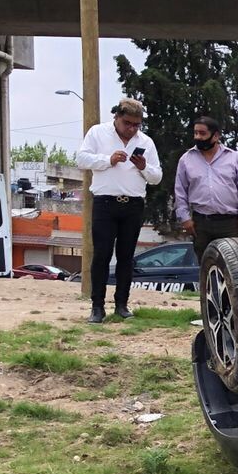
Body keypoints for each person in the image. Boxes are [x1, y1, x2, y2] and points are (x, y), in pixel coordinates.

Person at [74, 97, 162, 323]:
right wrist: (107, 159)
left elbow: (157, 177)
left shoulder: (146, 142)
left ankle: (122, 304)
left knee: (126, 257)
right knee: (102, 255)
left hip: (133, 205)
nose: (132, 129)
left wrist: (144, 167)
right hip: (105, 203)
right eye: (127, 123)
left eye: (136, 124)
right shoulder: (98, 133)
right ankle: (97, 307)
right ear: (116, 118)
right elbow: (81, 159)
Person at [176, 116, 238, 262]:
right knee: (206, 265)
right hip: (201, 222)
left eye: (202, 133)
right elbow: (180, 192)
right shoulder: (186, 159)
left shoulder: (233, 158)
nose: (198, 137)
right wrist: (185, 219)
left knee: (232, 266)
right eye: (195, 133)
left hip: (230, 223)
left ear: (216, 135)